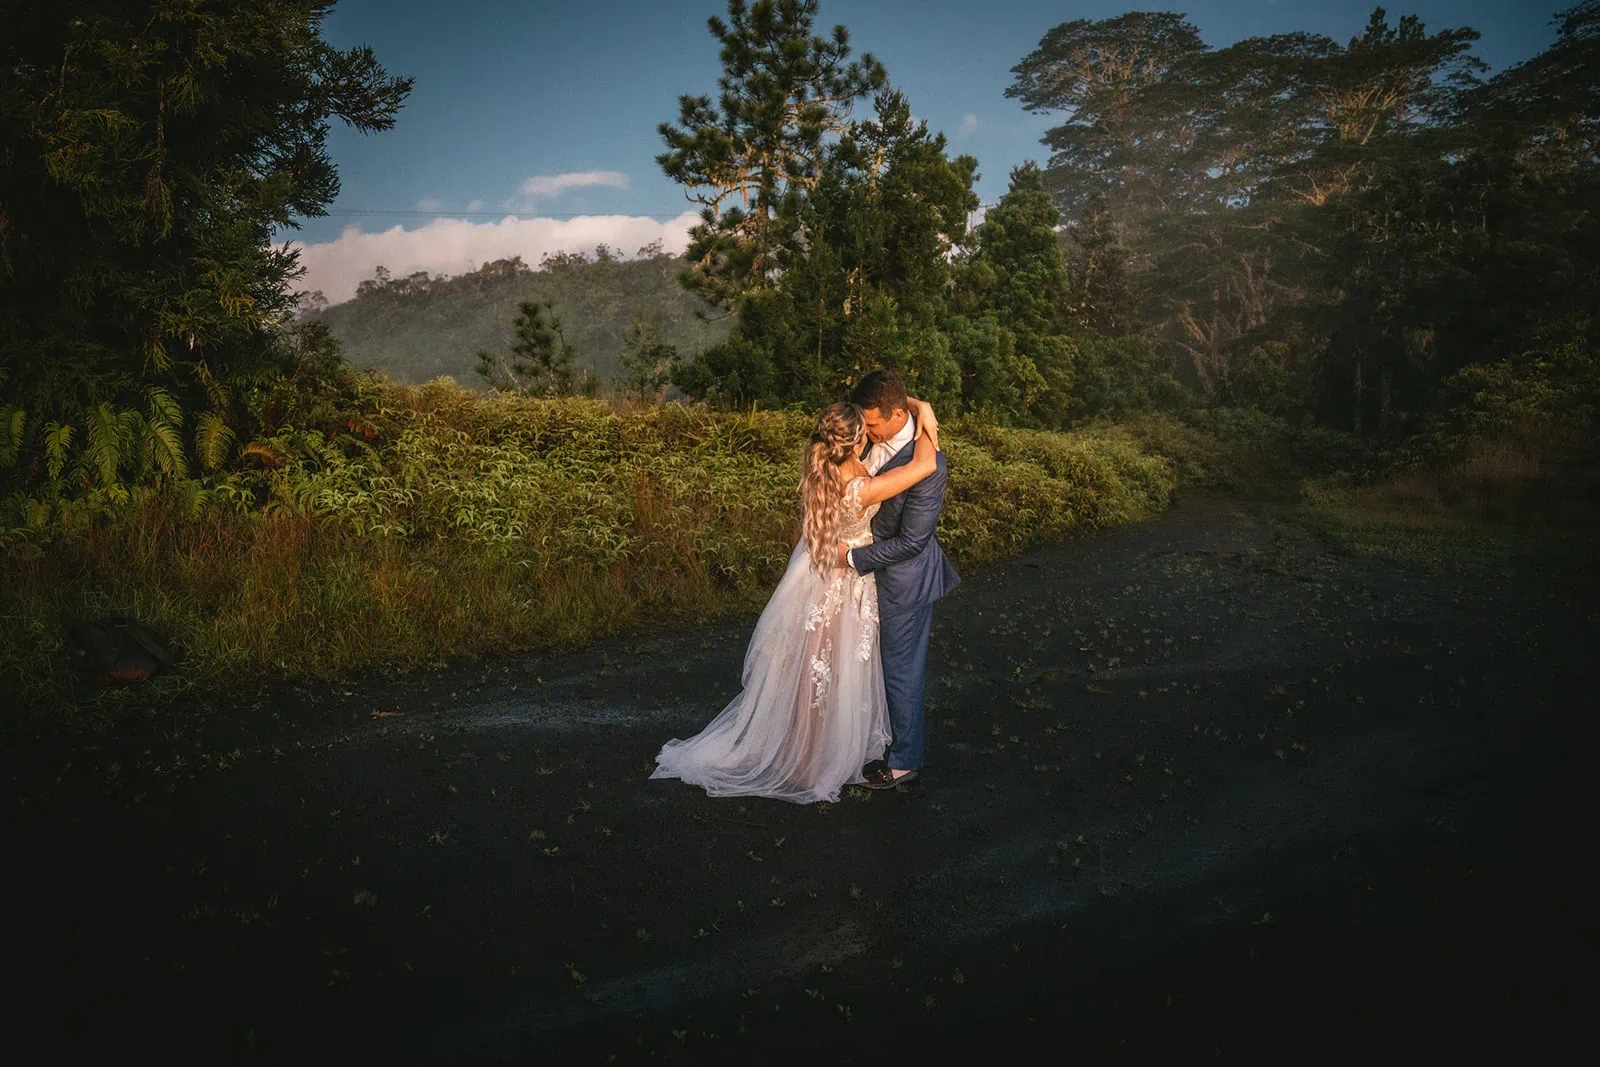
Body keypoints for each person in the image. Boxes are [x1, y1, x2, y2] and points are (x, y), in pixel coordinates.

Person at [650, 388, 945, 803]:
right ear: (856, 441)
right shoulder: (860, 486)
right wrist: (924, 409)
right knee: (833, 673)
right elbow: (927, 462)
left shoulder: (819, 472)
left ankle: (809, 758)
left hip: (817, 579)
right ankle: (815, 764)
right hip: (845, 581)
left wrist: (910, 406)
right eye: (868, 433)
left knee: (814, 673)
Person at [836, 369, 959, 790]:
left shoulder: (930, 463)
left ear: (893, 416)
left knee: (900, 669)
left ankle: (905, 761)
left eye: (871, 424)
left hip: (904, 578)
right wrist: (920, 404)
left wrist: (851, 558)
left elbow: (911, 542)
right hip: (868, 578)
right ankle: (867, 745)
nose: (865, 432)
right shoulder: (877, 425)